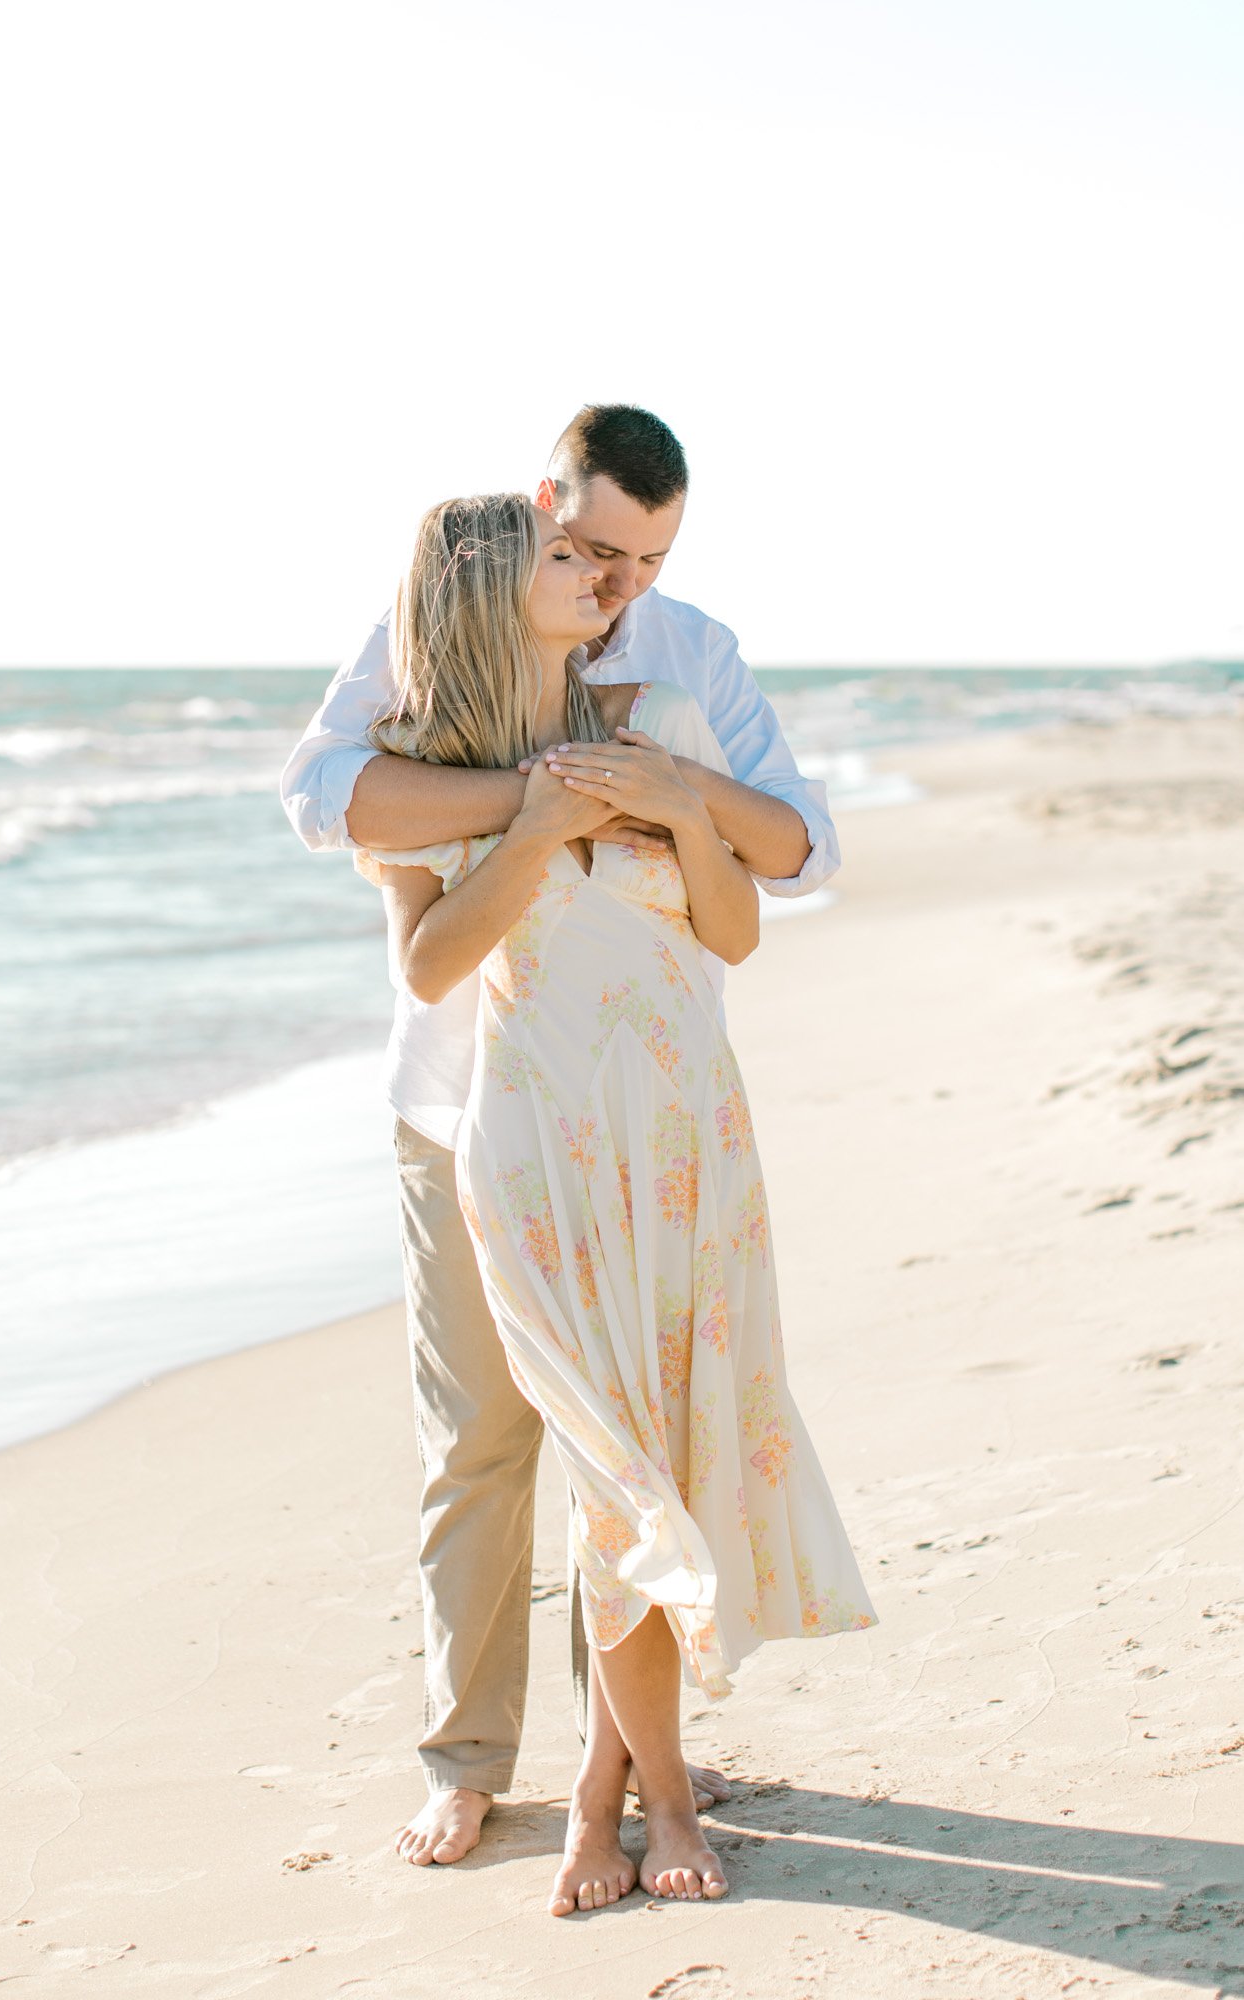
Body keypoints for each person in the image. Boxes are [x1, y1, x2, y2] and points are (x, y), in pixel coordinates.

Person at [279, 406, 844, 1872]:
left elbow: (796, 848)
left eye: (648, 557)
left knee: (634, 1441)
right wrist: (541, 807)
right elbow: (328, 799)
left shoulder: (687, 658)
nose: (620, 583)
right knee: (479, 1442)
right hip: (463, 1108)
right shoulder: (439, 626)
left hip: (643, 1117)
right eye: (594, 548)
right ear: (546, 508)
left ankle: (635, 1763)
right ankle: (465, 1761)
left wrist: (666, 800)